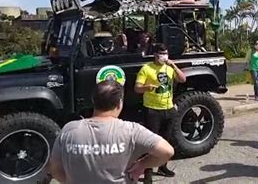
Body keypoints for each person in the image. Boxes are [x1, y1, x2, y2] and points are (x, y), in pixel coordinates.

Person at [49, 80, 174, 184]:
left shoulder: (69, 130)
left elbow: (55, 169)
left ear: (93, 101)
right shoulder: (131, 130)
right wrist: (142, 165)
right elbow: (167, 151)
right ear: (120, 104)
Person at [134, 44, 186, 181]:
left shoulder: (169, 68)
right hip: (152, 110)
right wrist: (147, 87)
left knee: (166, 141)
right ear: (155, 55)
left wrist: (174, 65)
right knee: (151, 144)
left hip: (168, 108)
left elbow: (182, 79)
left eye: (166, 53)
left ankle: (163, 167)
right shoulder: (147, 68)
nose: (164, 56)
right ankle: (148, 173)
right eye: (161, 53)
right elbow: (137, 88)